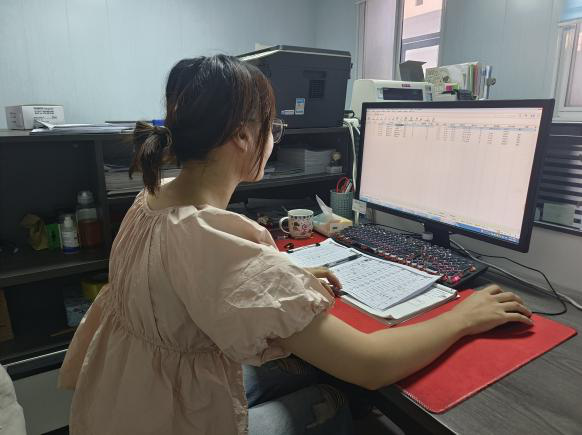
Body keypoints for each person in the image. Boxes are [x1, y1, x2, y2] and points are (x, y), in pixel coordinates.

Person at [59, 55, 533, 435]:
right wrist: (463, 317)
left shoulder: (153, 197)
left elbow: (183, 285)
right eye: (274, 128)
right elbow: (370, 365)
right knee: (338, 397)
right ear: (243, 135)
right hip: (170, 417)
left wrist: (284, 279)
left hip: (126, 398)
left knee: (299, 366)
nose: (273, 139)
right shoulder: (212, 238)